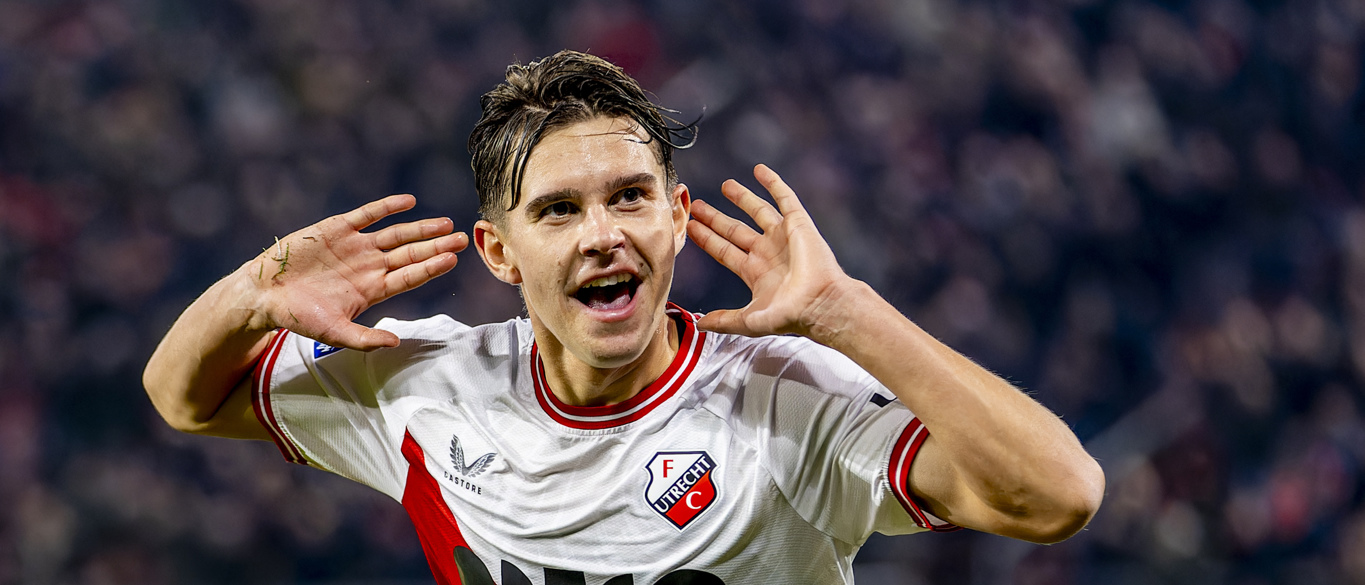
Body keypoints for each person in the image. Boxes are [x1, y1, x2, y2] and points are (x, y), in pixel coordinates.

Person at [144, 50, 1103, 584]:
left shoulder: (785, 400)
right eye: (559, 210)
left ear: (677, 217)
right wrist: (253, 292)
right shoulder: (419, 382)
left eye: (631, 197)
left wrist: (845, 311)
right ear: (499, 252)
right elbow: (183, 397)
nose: (603, 235)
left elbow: (1058, 494)